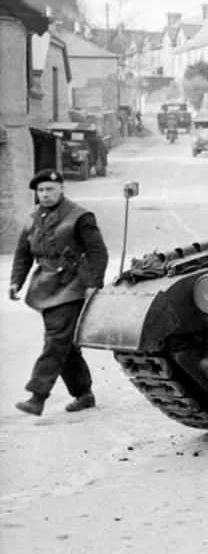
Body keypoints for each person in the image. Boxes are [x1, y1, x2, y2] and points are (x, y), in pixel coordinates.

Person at [9, 169, 109, 416]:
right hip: (45, 285)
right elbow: (23, 254)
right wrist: (15, 282)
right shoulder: (33, 217)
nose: (45, 194)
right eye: (41, 190)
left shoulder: (79, 217)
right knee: (64, 343)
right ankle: (83, 393)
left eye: (50, 189)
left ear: (61, 189)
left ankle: (37, 396)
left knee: (55, 340)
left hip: (72, 285)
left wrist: (94, 283)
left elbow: (98, 252)